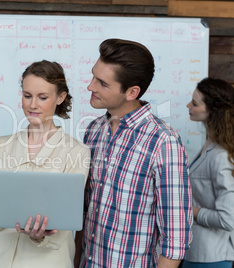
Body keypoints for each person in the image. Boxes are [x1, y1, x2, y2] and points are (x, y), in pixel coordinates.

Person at [74, 38, 193, 268]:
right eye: (92, 76)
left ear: (131, 92)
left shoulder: (163, 143)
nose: (90, 87)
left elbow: (175, 239)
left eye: (102, 83)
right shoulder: (94, 131)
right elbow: (84, 211)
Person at [0, 60, 90, 268]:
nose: (32, 105)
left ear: (60, 97)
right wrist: (4, 215)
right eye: (27, 96)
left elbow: (66, 220)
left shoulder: (76, 152)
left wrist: (39, 236)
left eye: (42, 97)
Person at [182, 77, 234, 268]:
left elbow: (228, 219)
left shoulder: (221, 155)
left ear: (213, 111)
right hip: (195, 252)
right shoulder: (209, 144)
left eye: (194, 103)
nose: (188, 105)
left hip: (212, 259)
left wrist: (190, 210)